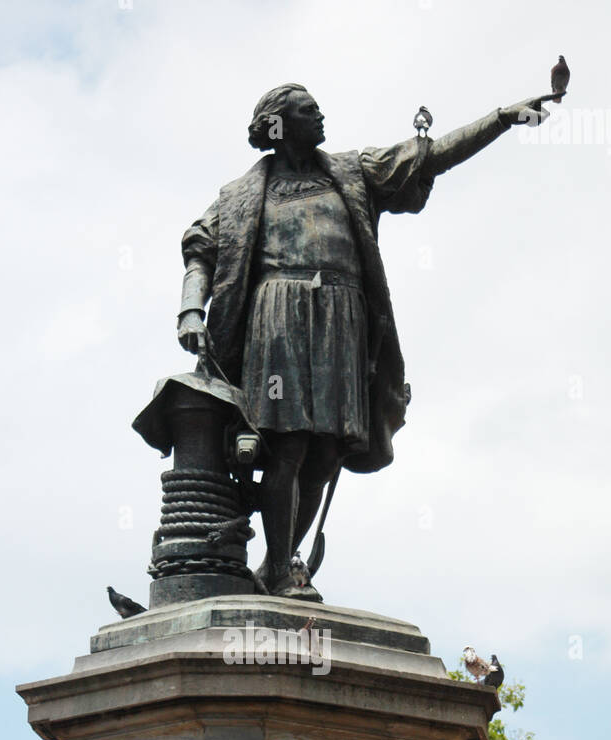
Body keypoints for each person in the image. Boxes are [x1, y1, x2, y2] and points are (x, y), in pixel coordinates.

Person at [177, 83, 552, 599]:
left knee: (329, 452)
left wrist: (501, 119)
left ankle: (275, 563)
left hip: (342, 316)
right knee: (289, 444)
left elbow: (428, 156)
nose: (322, 115)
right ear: (279, 124)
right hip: (278, 315)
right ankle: (285, 567)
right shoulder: (241, 194)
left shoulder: (353, 172)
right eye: (310, 110)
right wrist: (192, 308)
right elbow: (201, 247)